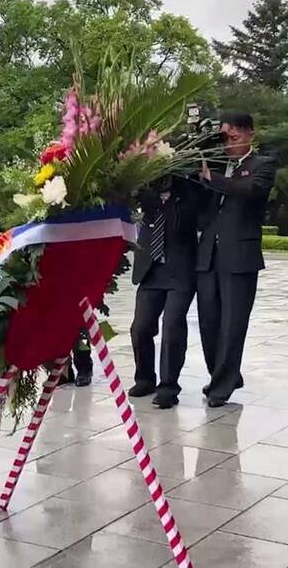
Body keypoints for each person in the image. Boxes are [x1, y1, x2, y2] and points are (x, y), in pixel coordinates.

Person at [197, 111, 277, 408]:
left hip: (239, 256)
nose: (228, 144)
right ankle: (223, 373)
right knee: (208, 323)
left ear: (250, 135)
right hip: (208, 255)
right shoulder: (217, 164)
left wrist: (212, 178)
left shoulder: (263, 165)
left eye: (234, 138)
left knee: (232, 323)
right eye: (224, 138)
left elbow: (249, 191)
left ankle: (223, 384)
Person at [127, 175, 201, 408]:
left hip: (180, 272)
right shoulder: (144, 190)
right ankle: (145, 379)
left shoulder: (189, 192)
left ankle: (169, 387)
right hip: (151, 271)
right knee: (140, 328)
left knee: (172, 327)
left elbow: (188, 219)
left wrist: (171, 196)